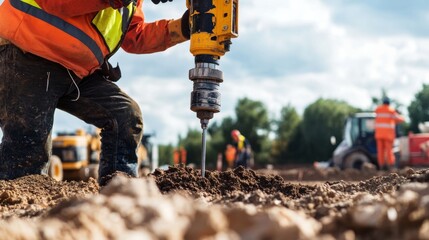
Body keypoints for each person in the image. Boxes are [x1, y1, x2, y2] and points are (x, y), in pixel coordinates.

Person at [0, 0, 190, 186]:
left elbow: (134, 36)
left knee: (125, 115)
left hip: (78, 71)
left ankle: (118, 194)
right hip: (26, 51)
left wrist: (183, 27)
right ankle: (13, 211)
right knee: (26, 156)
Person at [374, 97, 405, 170]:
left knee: (380, 152)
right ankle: (391, 166)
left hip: (379, 135)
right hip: (388, 135)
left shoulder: (378, 109)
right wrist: (400, 116)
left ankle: (381, 166)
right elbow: (400, 119)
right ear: (389, 103)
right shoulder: (391, 110)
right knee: (389, 151)